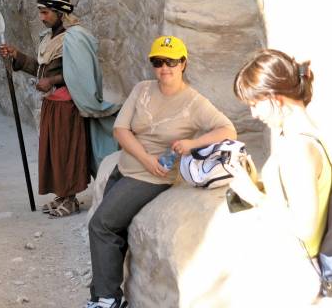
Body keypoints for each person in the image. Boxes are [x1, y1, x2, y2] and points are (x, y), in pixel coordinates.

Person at [86, 36, 236, 308]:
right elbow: (120, 130)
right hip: (128, 167)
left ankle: (107, 299)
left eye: (171, 61)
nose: (164, 68)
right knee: (113, 228)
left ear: (183, 64)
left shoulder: (194, 102)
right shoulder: (142, 89)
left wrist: (192, 143)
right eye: (157, 62)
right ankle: (103, 294)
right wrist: (145, 158)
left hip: (152, 177)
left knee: (101, 224)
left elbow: (227, 130)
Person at [0, 0, 120, 218]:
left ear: (59, 12)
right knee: (54, 152)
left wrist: (52, 80)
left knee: (66, 152)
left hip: (69, 106)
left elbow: (81, 74)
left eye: (45, 12)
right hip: (53, 104)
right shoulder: (49, 38)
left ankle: (71, 199)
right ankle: (62, 196)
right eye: (40, 12)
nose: (41, 17)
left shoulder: (76, 37)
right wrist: (17, 57)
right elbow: (41, 70)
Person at [230, 49, 331, 300]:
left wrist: (255, 196)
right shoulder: (309, 135)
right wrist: (260, 184)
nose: (254, 114)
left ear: (275, 97)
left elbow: (304, 227)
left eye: (255, 104)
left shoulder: (299, 149)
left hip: (297, 272)